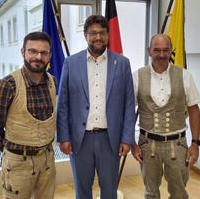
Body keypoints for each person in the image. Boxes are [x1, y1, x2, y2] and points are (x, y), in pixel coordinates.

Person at [56, 15, 135, 199]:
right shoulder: (71, 63)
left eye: (102, 33)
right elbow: (63, 104)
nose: (98, 37)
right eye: (93, 33)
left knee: (109, 191)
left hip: (111, 140)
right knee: (82, 192)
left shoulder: (122, 64)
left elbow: (129, 104)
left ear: (108, 35)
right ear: (85, 35)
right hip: (79, 140)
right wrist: (64, 137)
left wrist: (126, 138)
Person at [132, 34, 200, 199]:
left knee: (179, 193)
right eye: (157, 50)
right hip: (148, 145)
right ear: (149, 51)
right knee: (151, 193)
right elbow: (128, 111)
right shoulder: (137, 76)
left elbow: (194, 110)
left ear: (171, 51)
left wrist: (195, 143)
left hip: (177, 144)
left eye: (165, 50)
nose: (161, 55)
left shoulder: (185, 76)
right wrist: (131, 142)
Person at [0, 32, 57, 199]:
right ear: (23, 52)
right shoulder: (8, 85)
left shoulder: (52, 82)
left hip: (47, 162)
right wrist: (11, 152)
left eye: (44, 53)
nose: (38, 57)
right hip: (18, 164)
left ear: (49, 56)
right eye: (32, 51)